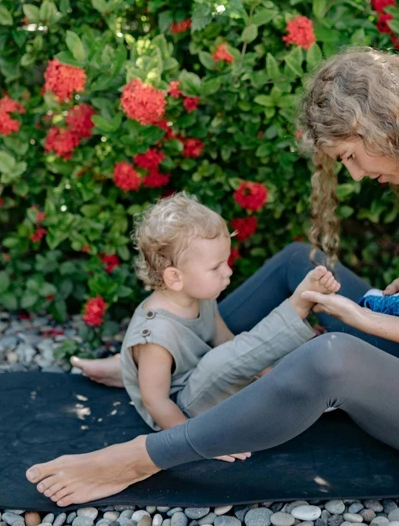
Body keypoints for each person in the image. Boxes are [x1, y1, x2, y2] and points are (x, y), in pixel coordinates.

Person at [26, 47, 399, 507]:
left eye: (348, 155)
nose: (357, 174)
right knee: (301, 262)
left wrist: (363, 317)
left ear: (379, 125)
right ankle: (156, 352)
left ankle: (140, 457)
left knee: (332, 355)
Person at [96, 192, 341, 461]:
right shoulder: (156, 335)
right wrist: (195, 442)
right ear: (175, 277)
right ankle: (296, 308)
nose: (228, 272)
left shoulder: (200, 299)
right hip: (183, 412)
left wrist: (263, 372)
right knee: (218, 363)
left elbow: (226, 341)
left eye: (226, 262)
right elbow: (156, 401)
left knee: (236, 357)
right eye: (216, 267)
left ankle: (280, 382)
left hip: (204, 383)